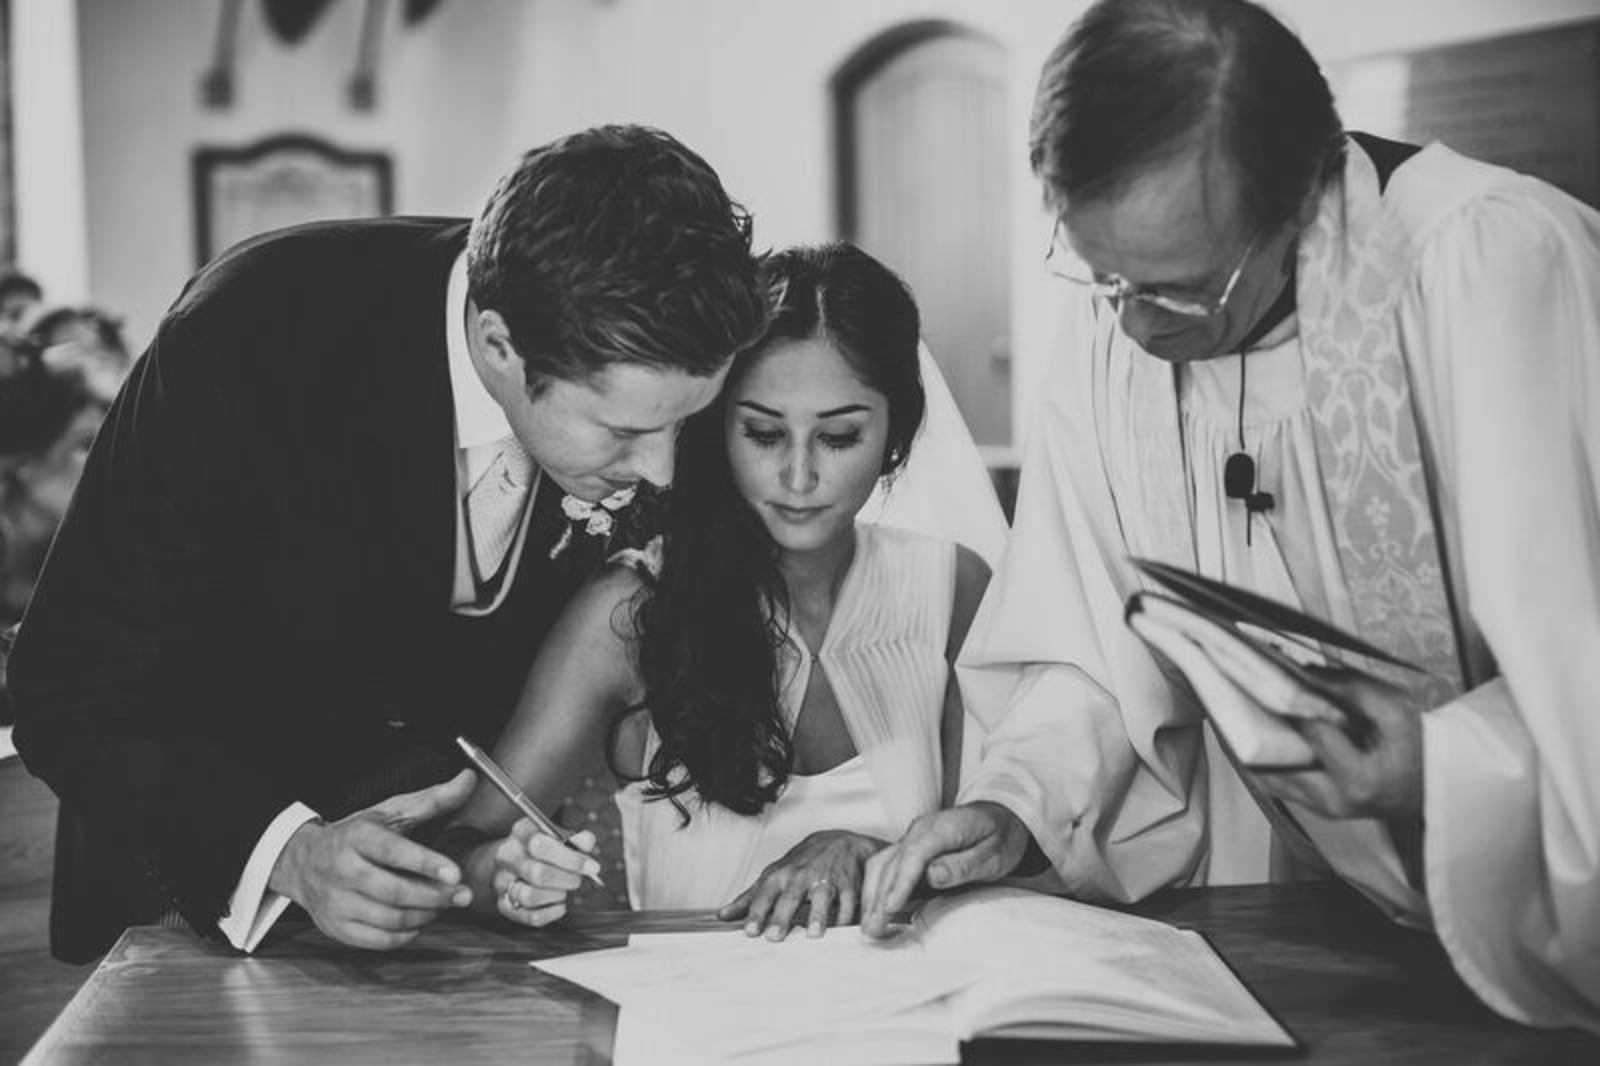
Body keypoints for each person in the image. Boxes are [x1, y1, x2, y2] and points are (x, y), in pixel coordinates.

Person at [861, 0, 1600, 1036]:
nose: (1135, 324)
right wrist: (1014, 805)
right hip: (1310, 930)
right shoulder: (1119, 314)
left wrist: (1442, 767)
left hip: (1542, 940)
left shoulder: (1492, 267)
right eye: (1102, 275)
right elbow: (1089, 632)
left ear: (1299, 198)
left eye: (1182, 290)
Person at [9, 124, 769, 962]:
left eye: (684, 423)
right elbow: (65, 687)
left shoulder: (637, 350)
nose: (661, 472)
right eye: (623, 432)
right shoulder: (249, 334)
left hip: (447, 949)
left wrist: (484, 861)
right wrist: (290, 855)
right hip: (186, 923)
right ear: (498, 347)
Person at [442, 242, 992, 939]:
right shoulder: (632, 611)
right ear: (714, 423)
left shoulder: (952, 590)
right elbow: (464, 848)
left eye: (840, 436)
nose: (798, 476)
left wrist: (876, 857)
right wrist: (505, 871)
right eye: (762, 433)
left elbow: (1018, 844)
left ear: (894, 435)